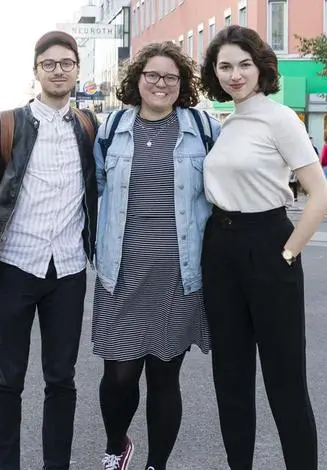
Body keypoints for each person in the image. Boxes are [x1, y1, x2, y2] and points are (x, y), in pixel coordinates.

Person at [198, 25, 327, 469]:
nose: (235, 74)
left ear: (260, 68)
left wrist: (289, 253)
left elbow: (321, 193)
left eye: (243, 64)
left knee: (285, 380)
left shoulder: (279, 118)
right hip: (220, 250)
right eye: (225, 66)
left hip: (268, 244)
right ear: (214, 73)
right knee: (230, 379)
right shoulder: (228, 122)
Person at [0, 30, 99, 470]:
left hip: (67, 271)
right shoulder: (7, 124)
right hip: (15, 268)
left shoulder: (87, 127)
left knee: (61, 379)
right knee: (8, 379)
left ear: (78, 69)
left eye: (66, 63)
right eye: (49, 64)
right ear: (36, 71)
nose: (58, 71)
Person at [92, 41, 220, 470]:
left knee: (165, 377)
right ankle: (117, 446)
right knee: (118, 376)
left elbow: (227, 186)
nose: (160, 83)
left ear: (181, 84)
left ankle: (156, 464)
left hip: (178, 277)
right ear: (137, 79)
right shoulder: (112, 128)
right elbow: (97, 189)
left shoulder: (203, 128)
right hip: (121, 273)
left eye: (170, 77)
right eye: (152, 75)